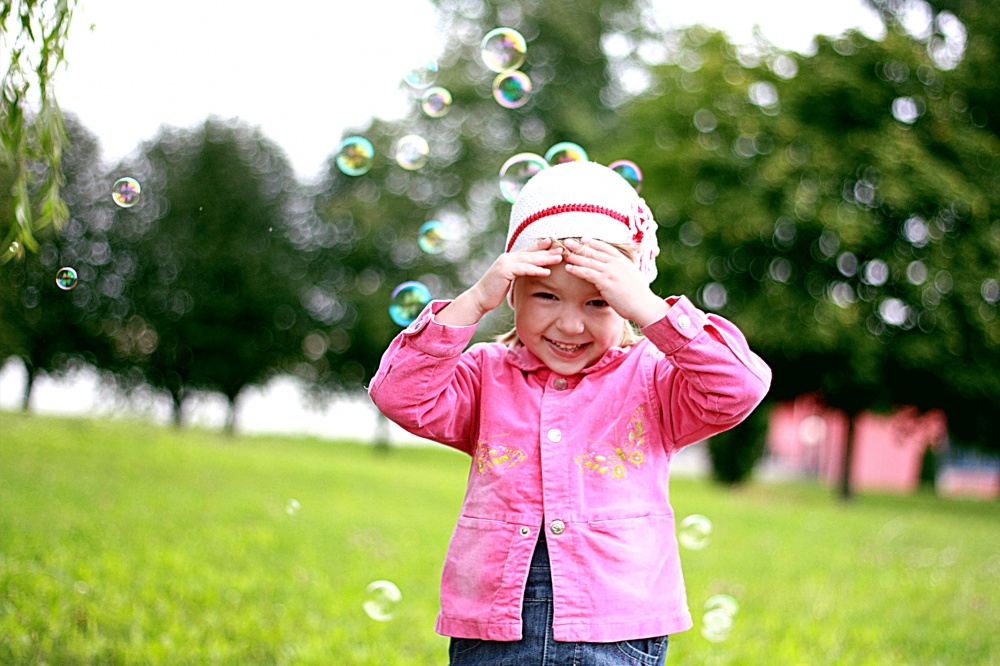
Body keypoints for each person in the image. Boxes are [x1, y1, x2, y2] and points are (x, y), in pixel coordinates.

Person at [368, 160, 772, 665]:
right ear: (512, 291)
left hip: (617, 633)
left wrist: (651, 308)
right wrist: (474, 301)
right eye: (546, 295)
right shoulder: (484, 375)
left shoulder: (654, 379)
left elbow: (740, 386)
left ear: (626, 303)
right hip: (493, 632)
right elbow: (399, 394)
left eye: (599, 302)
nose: (570, 324)